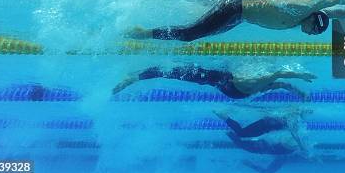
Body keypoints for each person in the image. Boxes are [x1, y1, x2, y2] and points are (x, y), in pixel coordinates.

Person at [124, 0, 345, 41]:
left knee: (200, 33)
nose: (308, 35)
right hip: (234, 9)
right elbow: (333, 1)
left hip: (237, 17)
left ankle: (148, 28)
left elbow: (334, 13)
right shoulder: (302, 8)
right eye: (313, 31)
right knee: (190, 34)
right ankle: (144, 32)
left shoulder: (301, 19)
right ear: (311, 21)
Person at [111, 63, 315, 99]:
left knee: (174, 72)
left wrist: (300, 76)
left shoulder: (256, 81)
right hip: (226, 85)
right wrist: (301, 92)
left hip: (220, 82)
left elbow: (280, 74)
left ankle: (134, 77)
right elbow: (283, 83)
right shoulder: (260, 85)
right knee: (173, 72)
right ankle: (137, 74)